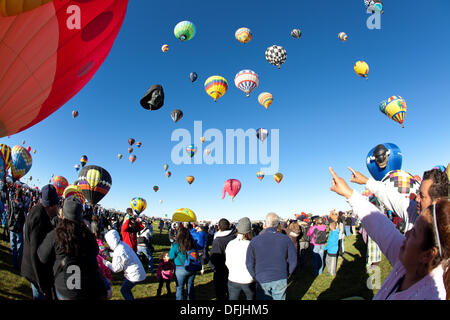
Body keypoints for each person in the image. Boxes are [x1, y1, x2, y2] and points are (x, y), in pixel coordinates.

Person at [329, 167, 449, 299]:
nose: (406, 233)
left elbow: (387, 233)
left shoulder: (429, 293)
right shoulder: (414, 259)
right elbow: (385, 228)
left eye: (414, 232)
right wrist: (351, 192)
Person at [37, 197, 109, 300]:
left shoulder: (56, 234)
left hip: (65, 289)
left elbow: (42, 256)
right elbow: (95, 252)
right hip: (87, 288)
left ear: (64, 212)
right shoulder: (88, 235)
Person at [349, 167, 449, 232]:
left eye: (422, 196)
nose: (417, 199)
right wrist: (366, 181)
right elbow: (391, 196)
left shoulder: (443, 235)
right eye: (418, 193)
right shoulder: (413, 212)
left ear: (437, 202)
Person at [246, 213, 297, 300]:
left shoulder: (255, 240)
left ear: (265, 224)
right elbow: (293, 260)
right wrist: (287, 273)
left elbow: (249, 263)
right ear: (278, 224)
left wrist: (254, 276)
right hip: (278, 277)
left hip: (263, 277)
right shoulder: (285, 239)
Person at [21, 184, 59, 300]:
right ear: (51, 205)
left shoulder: (37, 210)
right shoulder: (40, 219)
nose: (58, 208)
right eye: (57, 205)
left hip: (33, 269)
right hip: (36, 273)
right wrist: (42, 284)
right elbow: (35, 253)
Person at [104, 229, 146, 300]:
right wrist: (110, 254)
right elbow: (124, 255)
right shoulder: (122, 244)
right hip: (138, 271)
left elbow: (116, 269)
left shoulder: (119, 250)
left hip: (134, 275)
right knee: (126, 290)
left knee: (124, 290)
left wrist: (105, 262)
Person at [225, 217, 255, 300]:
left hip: (233, 278)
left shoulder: (230, 244)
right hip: (248, 279)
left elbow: (227, 262)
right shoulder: (252, 245)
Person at [209, 218, 237, 300]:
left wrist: (213, 267)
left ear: (219, 227)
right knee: (231, 293)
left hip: (221, 270)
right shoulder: (234, 236)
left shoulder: (218, 240)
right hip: (233, 268)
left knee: (221, 293)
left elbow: (214, 258)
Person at [169, 226, 199, 300]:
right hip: (192, 267)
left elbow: (171, 256)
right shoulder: (193, 243)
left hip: (180, 268)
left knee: (179, 287)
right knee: (190, 286)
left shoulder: (176, 245)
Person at [7, 188, 26, 270]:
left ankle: (14, 263)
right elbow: (23, 217)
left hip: (12, 226)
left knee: (13, 245)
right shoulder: (22, 204)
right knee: (19, 246)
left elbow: (9, 213)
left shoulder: (12, 202)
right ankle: (18, 263)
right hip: (18, 227)